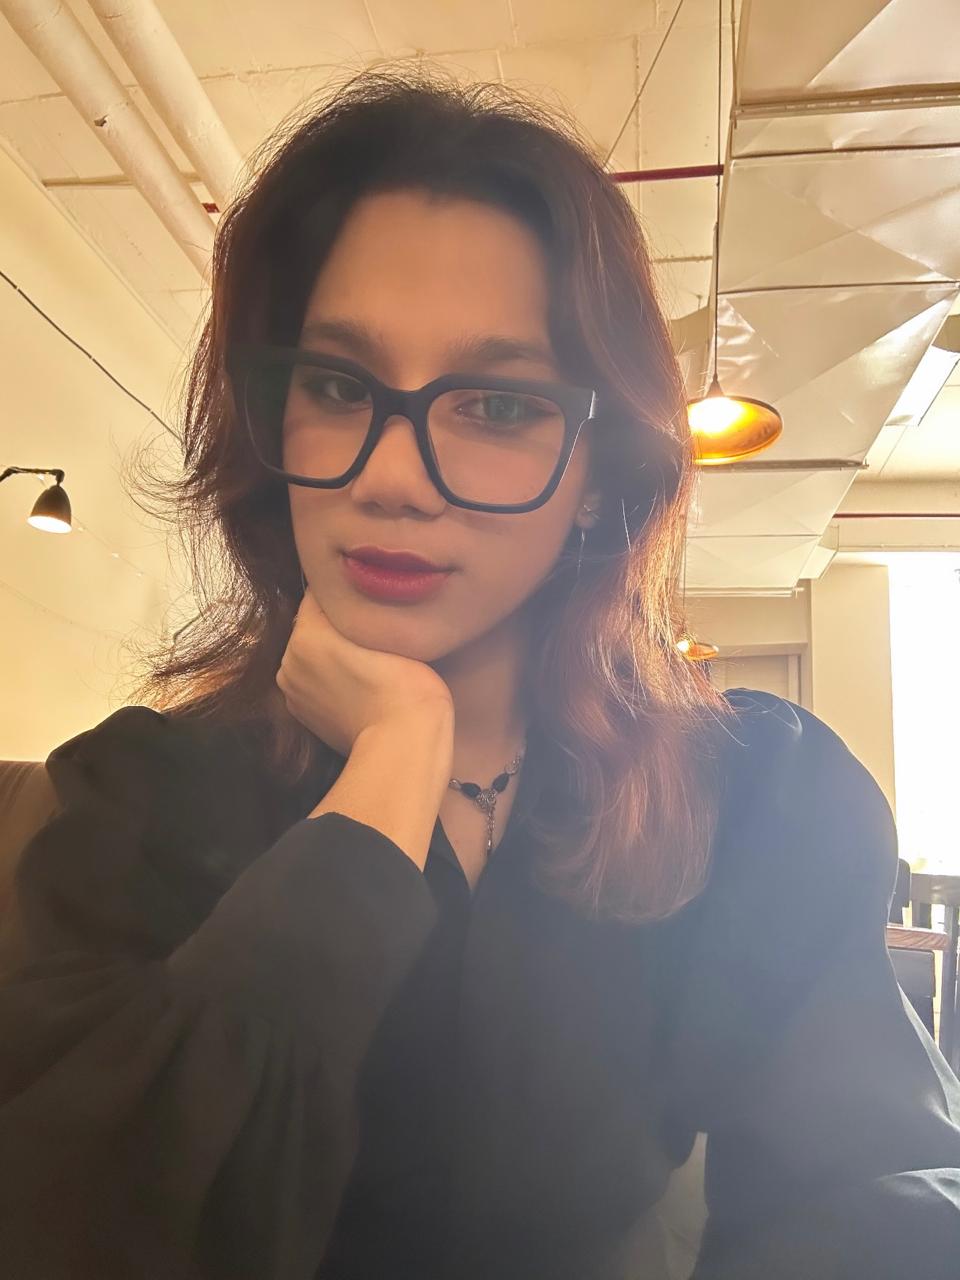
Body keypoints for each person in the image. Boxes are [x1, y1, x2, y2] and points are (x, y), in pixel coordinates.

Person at [1, 70, 959, 1280]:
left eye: (497, 405)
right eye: (338, 385)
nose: (393, 476)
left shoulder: (752, 795)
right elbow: (85, 1220)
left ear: (597, 475)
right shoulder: (133, 801)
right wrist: (388, 777)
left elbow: (873, 1186)